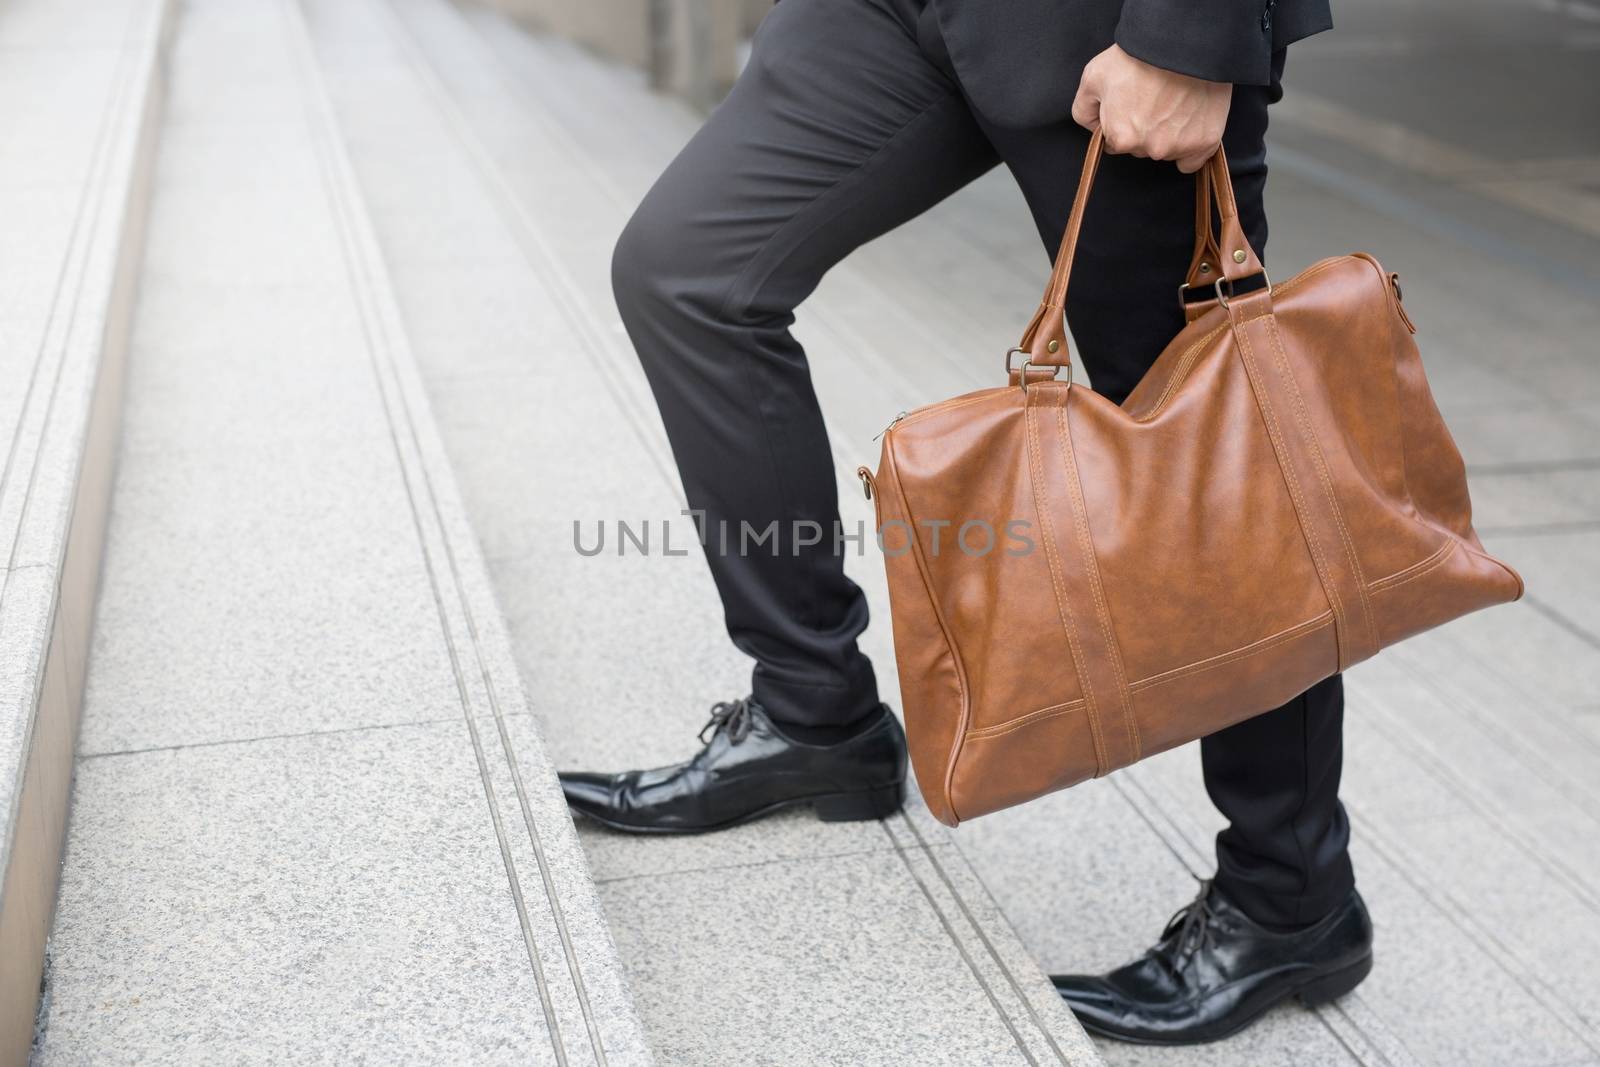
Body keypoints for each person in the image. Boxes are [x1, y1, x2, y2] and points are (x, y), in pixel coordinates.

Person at [558, 0, 1372, 1044]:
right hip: (890, 15)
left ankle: (1290, 892)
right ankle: (815, 716)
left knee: (1198, 426)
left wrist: (1191, 34)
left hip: (1108, 23)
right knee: (688, 274)